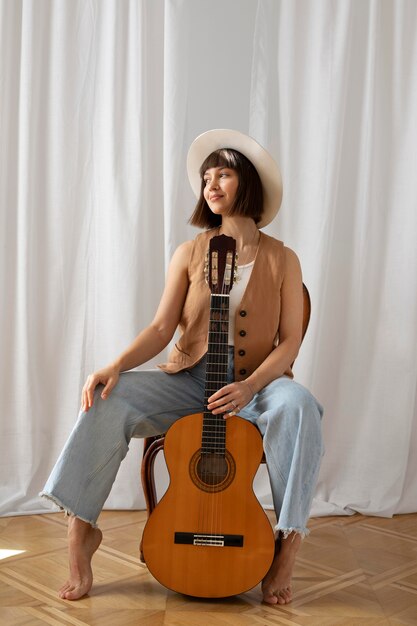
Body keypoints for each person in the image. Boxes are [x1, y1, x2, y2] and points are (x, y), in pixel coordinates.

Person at [40, 129, 323, 605]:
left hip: (258, 384)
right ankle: (80, 530)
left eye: (224, 174)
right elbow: (159, 328)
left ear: (247, 183)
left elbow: (290, 342)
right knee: (108, 399)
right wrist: (113, 367)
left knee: (300, 408)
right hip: (193, 380)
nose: (211, 185)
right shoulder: (190, 252)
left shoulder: (284, 259)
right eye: (205, 177)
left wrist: (252, 386)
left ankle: (287, 543)